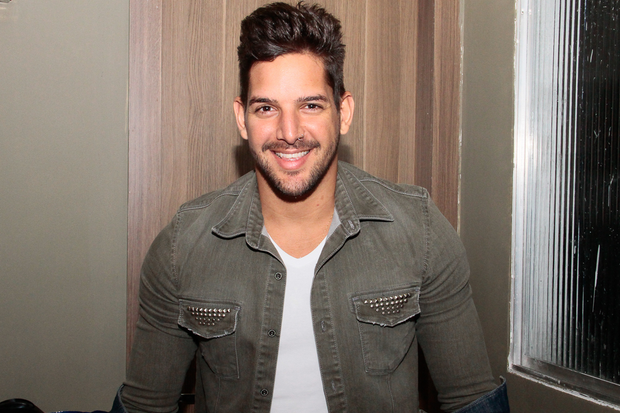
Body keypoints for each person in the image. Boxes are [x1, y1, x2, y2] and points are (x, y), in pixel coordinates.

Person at [116, 2, 510, 412]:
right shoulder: (183, 247)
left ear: (344, 112)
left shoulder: (420, 231)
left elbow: (472, 400)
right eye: (266, 108)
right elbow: (144, 406)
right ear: (242, 118)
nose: (289, 132)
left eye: (310, 105)